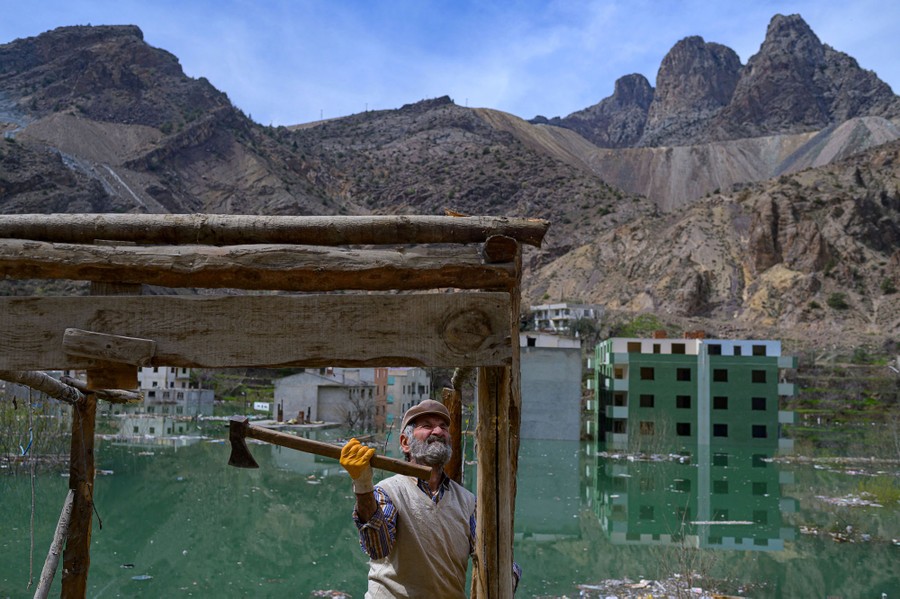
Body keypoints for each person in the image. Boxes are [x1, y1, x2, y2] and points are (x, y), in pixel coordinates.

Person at [340, 399, 519, 597]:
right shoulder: (387, 491)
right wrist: (363, 485)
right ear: (405, 442)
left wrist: (507, 576)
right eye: (427, 426)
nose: (438, 432)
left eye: (443, 427)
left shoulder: (468, 502)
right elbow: (378, 547)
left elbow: (492, 555)